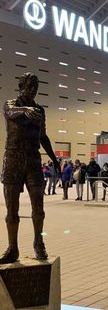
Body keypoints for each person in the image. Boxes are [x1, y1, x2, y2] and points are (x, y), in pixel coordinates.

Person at [0, 72, 60, 264]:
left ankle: (39, 242)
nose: (33, 90)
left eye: (36, 87)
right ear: (21, 86)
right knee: (11, 209)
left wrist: (54, 158)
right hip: (13, 158)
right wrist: (25, 110)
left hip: (33, 160)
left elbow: (43, 137)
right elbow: (10, 112)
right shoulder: (11, 104)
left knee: (39, 207)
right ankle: (12, 248)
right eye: (30, 86)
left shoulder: (40, 111)